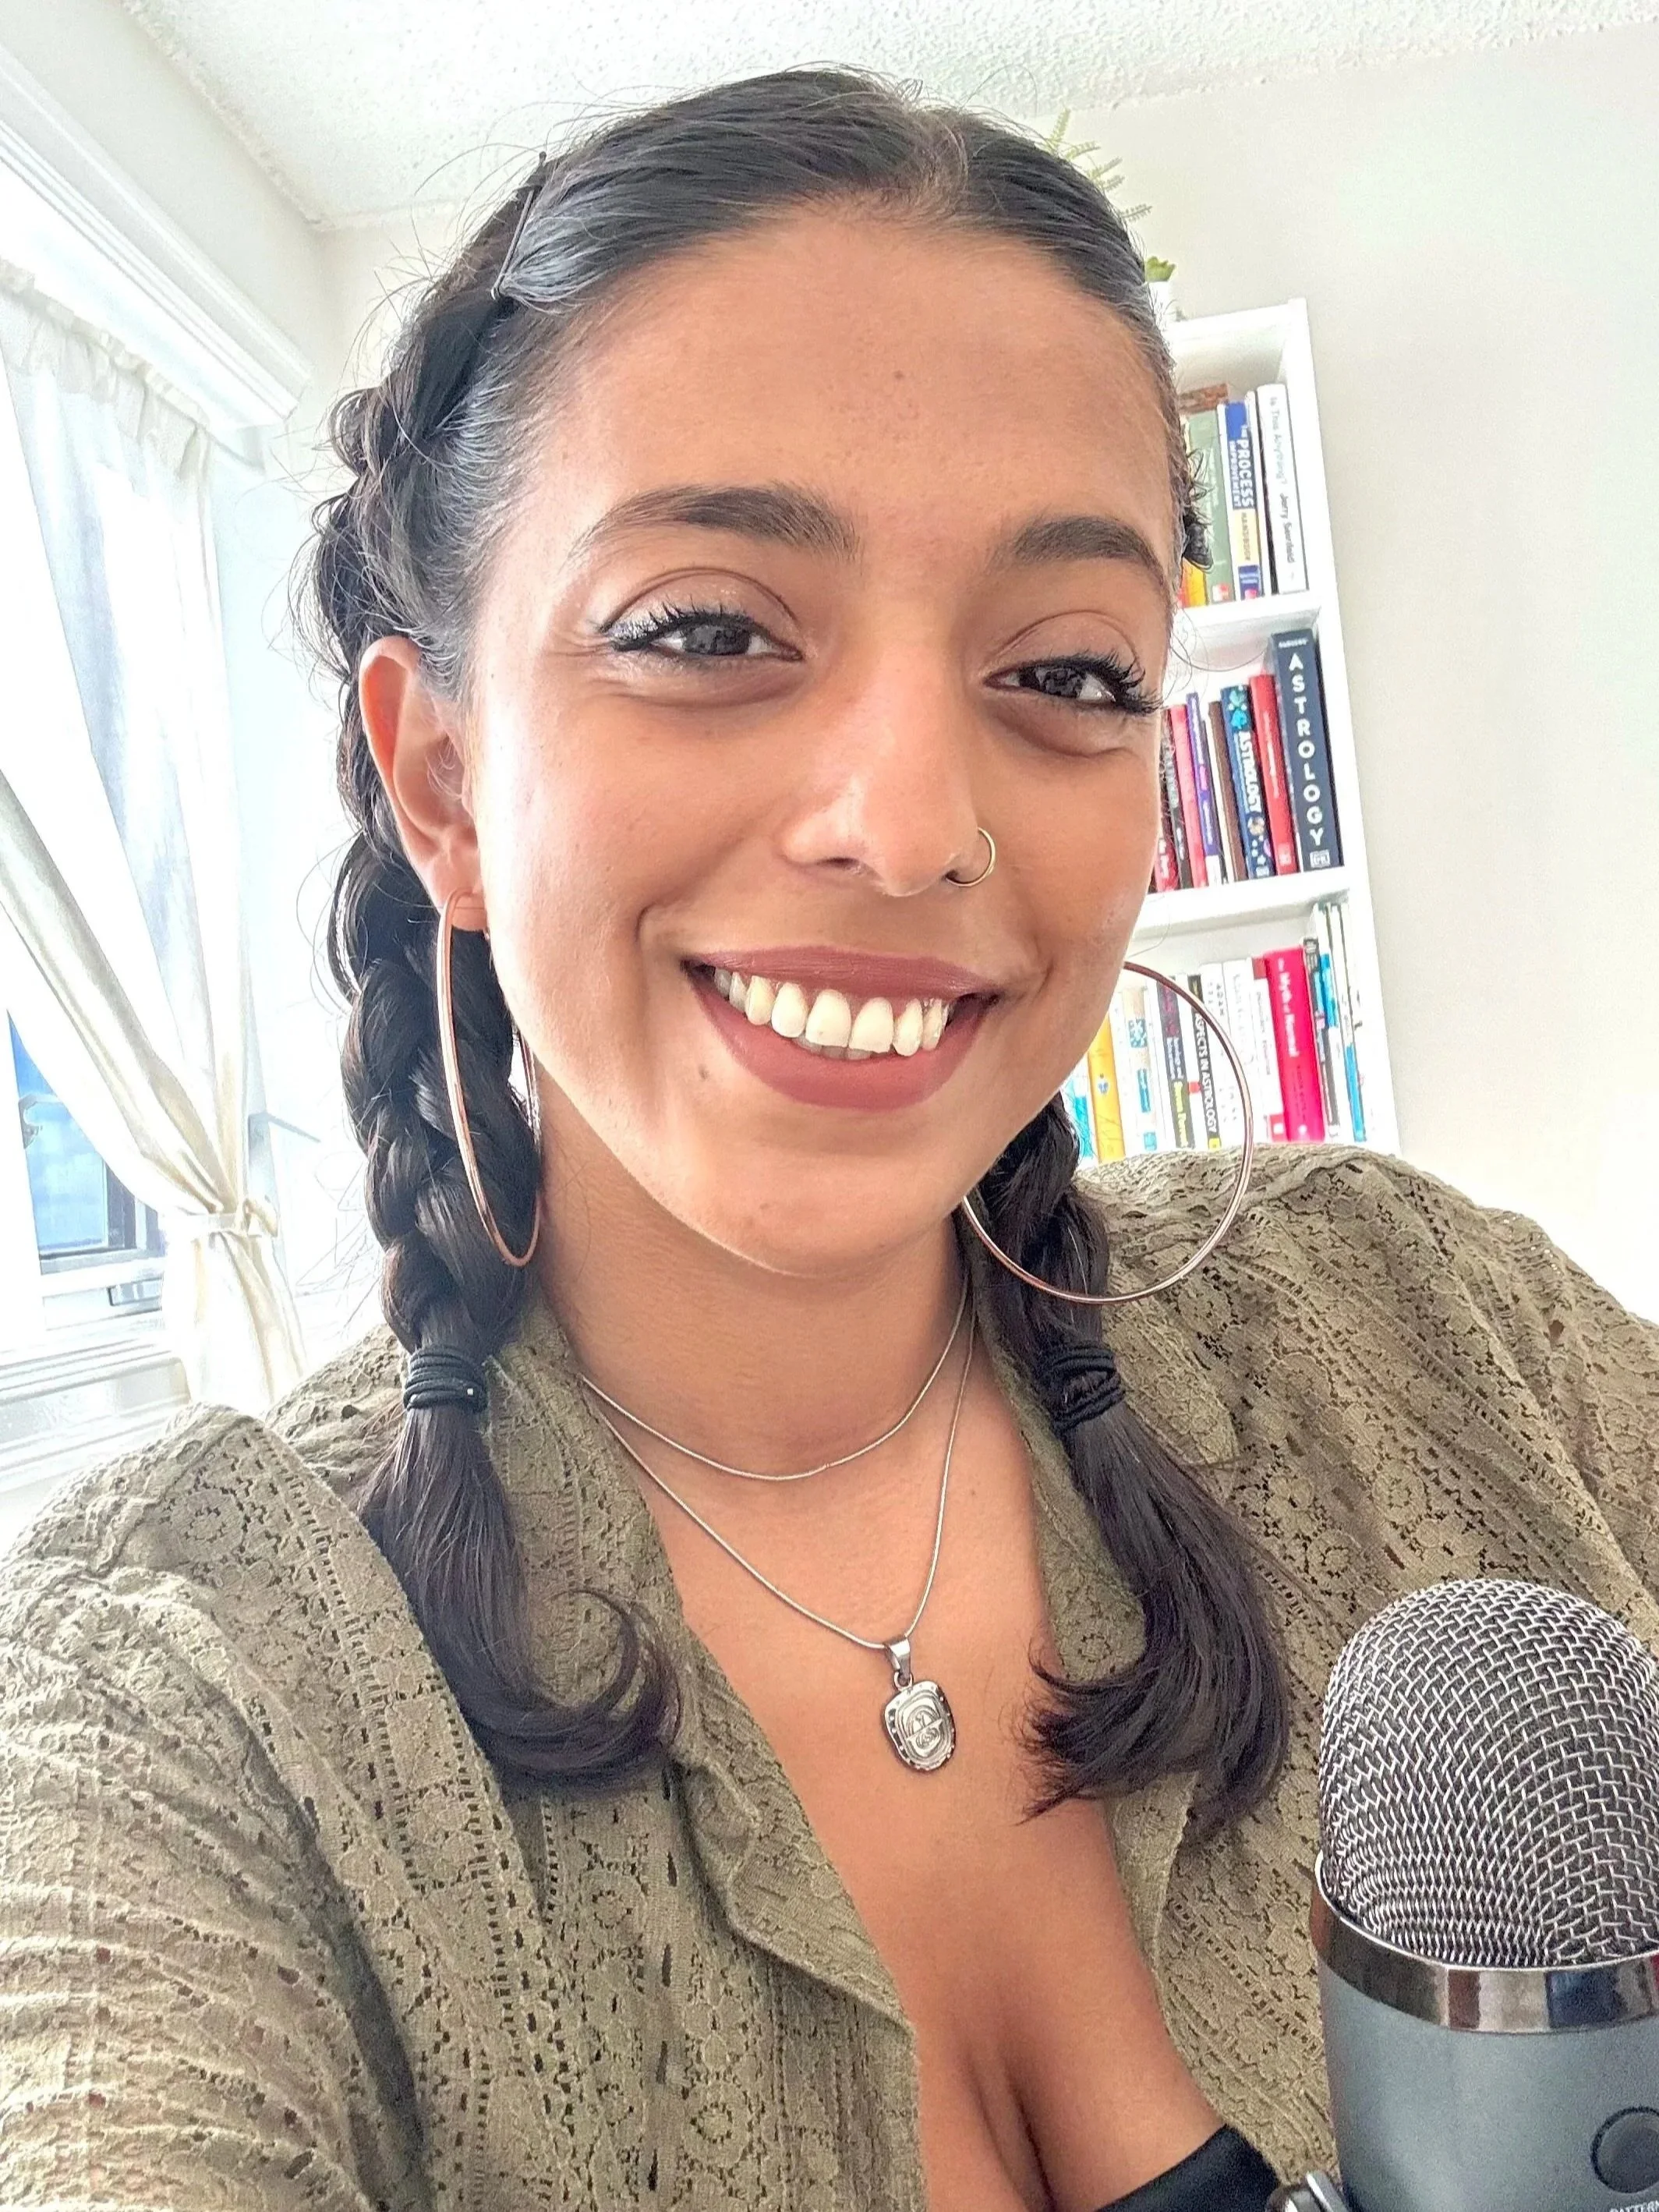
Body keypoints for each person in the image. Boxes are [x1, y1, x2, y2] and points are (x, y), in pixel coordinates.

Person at [1, 63, 1656, 2212]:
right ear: (439, 780)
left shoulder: (1436, 1335)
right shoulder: (185, 1695)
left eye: (1065, 671)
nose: (907, 823)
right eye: (705, 630)